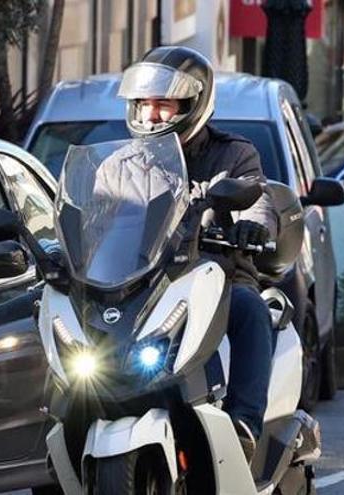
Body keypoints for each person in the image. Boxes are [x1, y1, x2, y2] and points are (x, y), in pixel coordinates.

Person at [118, 46, 279, 461]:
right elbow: (89, 217)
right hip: (137, 287)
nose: (151, 115)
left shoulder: (234, 154)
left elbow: (257, 198)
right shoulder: (118, 165)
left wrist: (253, 225)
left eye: (163, 104)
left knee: (249, 308)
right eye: (144, 104)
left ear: (193, 104)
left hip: (215, 275)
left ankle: (243, 424)